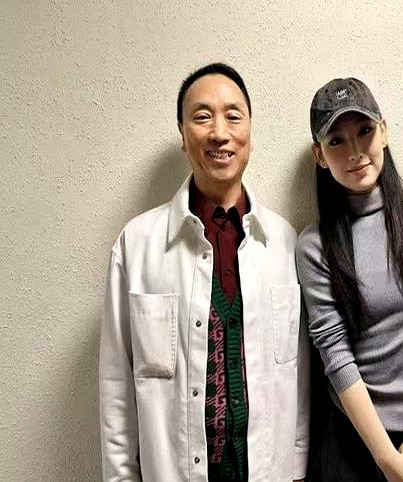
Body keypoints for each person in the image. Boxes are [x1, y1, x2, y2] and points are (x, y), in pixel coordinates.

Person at [99, 62, 309, 482]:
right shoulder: (136, 245)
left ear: (250, 133)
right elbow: (116, 388)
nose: (219, 132)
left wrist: (298, 470)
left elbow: (297, 377)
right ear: (183, 135)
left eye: (233, 116)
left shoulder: (285, 244)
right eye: (201, 117)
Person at [296, 77, 403, 482]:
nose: (354, 151)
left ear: (384, 132)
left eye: (365, 131)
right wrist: (388, 460)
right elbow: (335, 353)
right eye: (336, 140)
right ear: (319, 155)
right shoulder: (314, 246)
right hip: (352, 441)